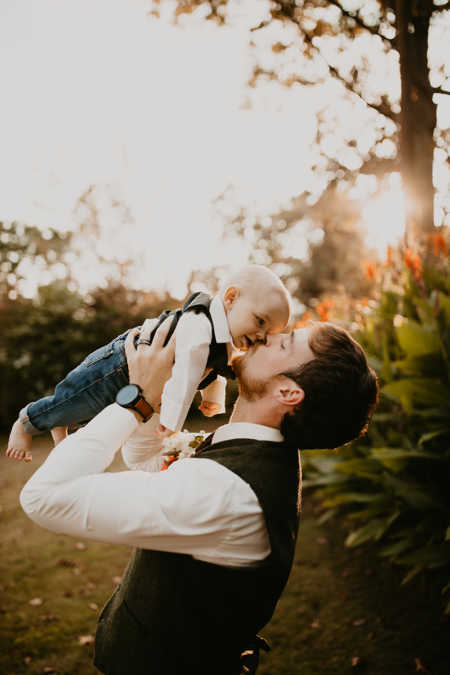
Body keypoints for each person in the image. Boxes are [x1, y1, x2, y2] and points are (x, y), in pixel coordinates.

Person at [19, 315, 378, 675]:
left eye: (285, 343)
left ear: (288, 393)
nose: (268, 335)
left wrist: (135, 398)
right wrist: (161, 392)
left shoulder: (226, 491)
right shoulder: (257, 451)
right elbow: (145, 460)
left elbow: (45, 497)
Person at [6, 264, 291, 462]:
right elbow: (185, 379)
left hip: (135, 374)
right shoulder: (199, 326)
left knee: (94, 409)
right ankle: (28, 421)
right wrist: (171, 425)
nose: (260, 335)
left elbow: (212, 368)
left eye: (268, 334)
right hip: (119, 365)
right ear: (231, 297)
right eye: (260, 320)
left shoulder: (221, 337)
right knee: (81, 397)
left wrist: (213, 398)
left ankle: (61, 423)